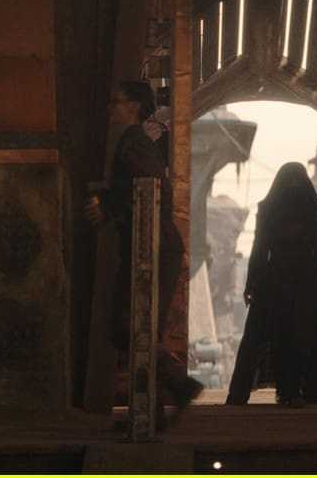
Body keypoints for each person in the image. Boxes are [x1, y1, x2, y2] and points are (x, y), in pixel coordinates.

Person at [83, 80, 203, 425]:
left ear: (134, 106)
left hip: (152, 247)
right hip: (151, 246)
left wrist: (109, 206)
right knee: (137, 327)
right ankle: (154, 408)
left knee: (129, 326)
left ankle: (177, 387)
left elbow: (149, 185)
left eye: (117, 102)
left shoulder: (133, 141)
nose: (111, 109)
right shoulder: (136, 142)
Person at [226, 163, 317, 408]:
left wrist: (252, 284)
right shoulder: (310, 212)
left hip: (275, 283)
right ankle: (308, 391)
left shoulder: (270, 210)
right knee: (309, 338)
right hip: (306, 284)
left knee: (260, 339)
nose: (293, 187)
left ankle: (244, 395)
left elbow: (260, 250)